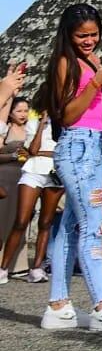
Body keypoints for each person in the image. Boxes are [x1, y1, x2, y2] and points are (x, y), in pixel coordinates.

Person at [41, 3, 102, 332]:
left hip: (94, 146)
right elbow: (67, 115)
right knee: (93, 225)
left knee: (72, 227)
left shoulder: (90, 61)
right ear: (68, 34)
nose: (89, 40)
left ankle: (58, 306)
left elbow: (92, 112)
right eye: (81, 35)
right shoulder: (63, 63)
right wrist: (96, 83)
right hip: (77, 148)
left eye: (94, 34)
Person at [1, 86, 61, 283]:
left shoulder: (64, 124)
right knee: (21, 220)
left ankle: (37, 268)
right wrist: (43, 123)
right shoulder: (34, 122)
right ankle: (3, 268)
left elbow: (61, 152)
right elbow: (32, 150)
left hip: (54, 174)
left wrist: (43, 152)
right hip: (33, 172)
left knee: (46, 222)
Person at [0, 85, 30, 282]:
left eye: (26, 110)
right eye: (19, 110)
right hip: (5, 176)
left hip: (24, 176)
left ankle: (16, 265)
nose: (23, 114)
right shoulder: (5, 130)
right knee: (3, 220)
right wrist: (12, 155)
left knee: (20, 221)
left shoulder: (32, 129)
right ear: (10, 113)